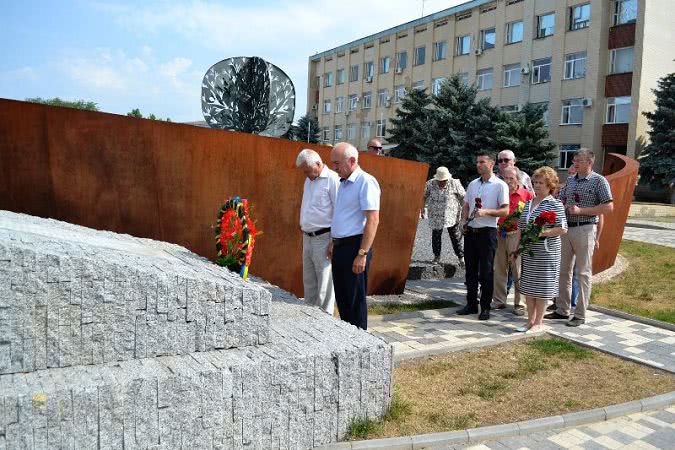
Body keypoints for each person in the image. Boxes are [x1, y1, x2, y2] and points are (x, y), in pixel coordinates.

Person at [545, 149, 613, 327]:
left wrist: (581, 211)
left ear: (590, 163)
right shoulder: (571, 180)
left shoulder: (599, 181)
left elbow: (608, 208)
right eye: (574, 160)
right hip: (567, 230)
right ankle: (562, 309)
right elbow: (561, 198)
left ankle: (580, 314)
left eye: (579, 160)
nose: (575, 163)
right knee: (563, 271)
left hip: (585, 228)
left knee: (582, 273)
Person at [328, 142, 381, 330]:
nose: (334, 168)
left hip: (355, 248)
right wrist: (334, 241)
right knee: (342, 298)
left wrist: (362, 253)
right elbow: (343, 215)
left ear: (351, 161)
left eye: (337, 163)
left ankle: (360, 342)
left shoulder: (366, 182)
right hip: (341, 247)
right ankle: (347, 339)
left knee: (354, 300)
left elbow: (373, 220)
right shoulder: (343, 183)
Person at [516, 167, 568, 333]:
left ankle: (539, 322)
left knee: (542, 287)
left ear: (550, 185)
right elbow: (522, 227)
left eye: (541, 183)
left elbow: (562, 228)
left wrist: (542, 233)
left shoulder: (555, 203)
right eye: (535, 182)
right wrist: (518, 247)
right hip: (529, 251)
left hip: (546, 252)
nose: (537, 185)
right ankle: (530, 321)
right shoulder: (530, 202)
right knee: (529, 286)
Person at [458, 153, 509, 320]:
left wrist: (486, 211)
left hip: (487, 232)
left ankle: (485, 307)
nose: (478, 165)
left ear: (492, 164)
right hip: (471, 232)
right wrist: (463, 220)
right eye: (477, 162)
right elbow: (466, 204)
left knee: (486, 272)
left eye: (482, 162)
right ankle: (471, 304)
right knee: (470, 271)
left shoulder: (500, 185)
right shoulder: (473, 184)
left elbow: (505, 210)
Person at [296, 149, 340, 314]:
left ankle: (324, 319)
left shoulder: (332, 180)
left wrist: (333, 241)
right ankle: (310, 314)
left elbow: (339, 211)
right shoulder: (309, 180)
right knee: (309, 280)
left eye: (307, 171)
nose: (306, 175)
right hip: (308, 236)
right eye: (304, 172)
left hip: (324, 237)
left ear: (318, 164)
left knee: (324, 283)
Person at [492, 167, 533, 315]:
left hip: (517, 234)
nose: (508, 181)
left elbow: (532, 216)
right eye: (505, 178)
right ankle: (498, 301)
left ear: (518, 179)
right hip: (499, 234)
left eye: (511, 178)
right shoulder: (498, 192)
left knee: (518, 269)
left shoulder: (526, 194)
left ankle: (520, 304)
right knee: (499, 269)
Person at [423, 166, 465, 266]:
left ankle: (461, 258)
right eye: (440, 180)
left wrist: (465, 212)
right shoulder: (430, 183)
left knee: (455, 236)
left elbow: (463, 197)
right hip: (436, 215)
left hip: (451, 215)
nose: (442, 182)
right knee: (436, 236)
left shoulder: (454, 183)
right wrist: (421, 209)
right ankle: (436, 257)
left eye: (444, 180)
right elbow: (423, 196)